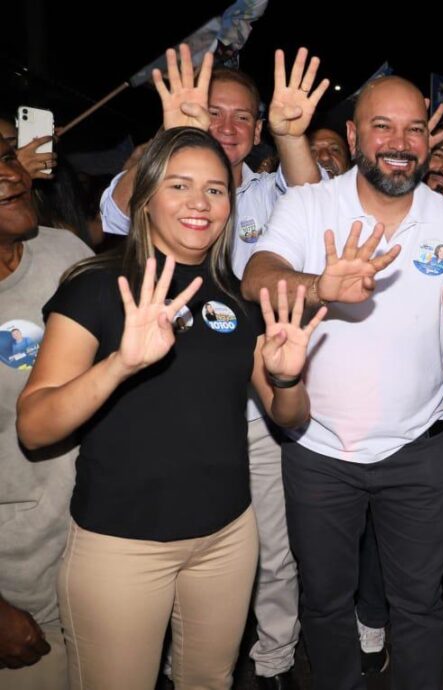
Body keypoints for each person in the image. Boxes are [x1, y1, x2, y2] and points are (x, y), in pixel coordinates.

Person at [16, 126, 326, 690]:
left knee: (211, 681)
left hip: (227, 540)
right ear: (145, 197)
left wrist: (288, 378)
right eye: (179, 185)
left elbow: (291, 418)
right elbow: (34, 428)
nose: (198, 204)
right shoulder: (96, 285)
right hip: (121, 547)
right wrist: (120, 365)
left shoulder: (235, 297)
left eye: (215, 190)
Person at [241, 75, 443, 690]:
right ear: (353, 135)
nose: (400, 141)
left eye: (414, 128)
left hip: (415, 449)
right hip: (316, 449)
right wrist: (317, 287)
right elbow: (258, 276)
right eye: (383, 126)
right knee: (326, 601)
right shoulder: (312, 205)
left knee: (418, 606)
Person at [99, 45, 328, 687]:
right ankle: (175, 664)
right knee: (178, 536)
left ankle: (275, 658)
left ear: (257, 130)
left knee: (275, 546)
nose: (225, 128)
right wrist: (167, 134)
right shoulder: (164, 185)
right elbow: (115, 217)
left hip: (260, 390)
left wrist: (293, 135)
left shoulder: (272, 192)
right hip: (171, 394)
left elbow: (318, 211)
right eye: (213, 114)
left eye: (241, 118)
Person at [0, 133, 92, 690]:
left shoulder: (65, 255)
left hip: (101, 561)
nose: (10, 173)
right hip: (21, 593)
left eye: (9, 155)